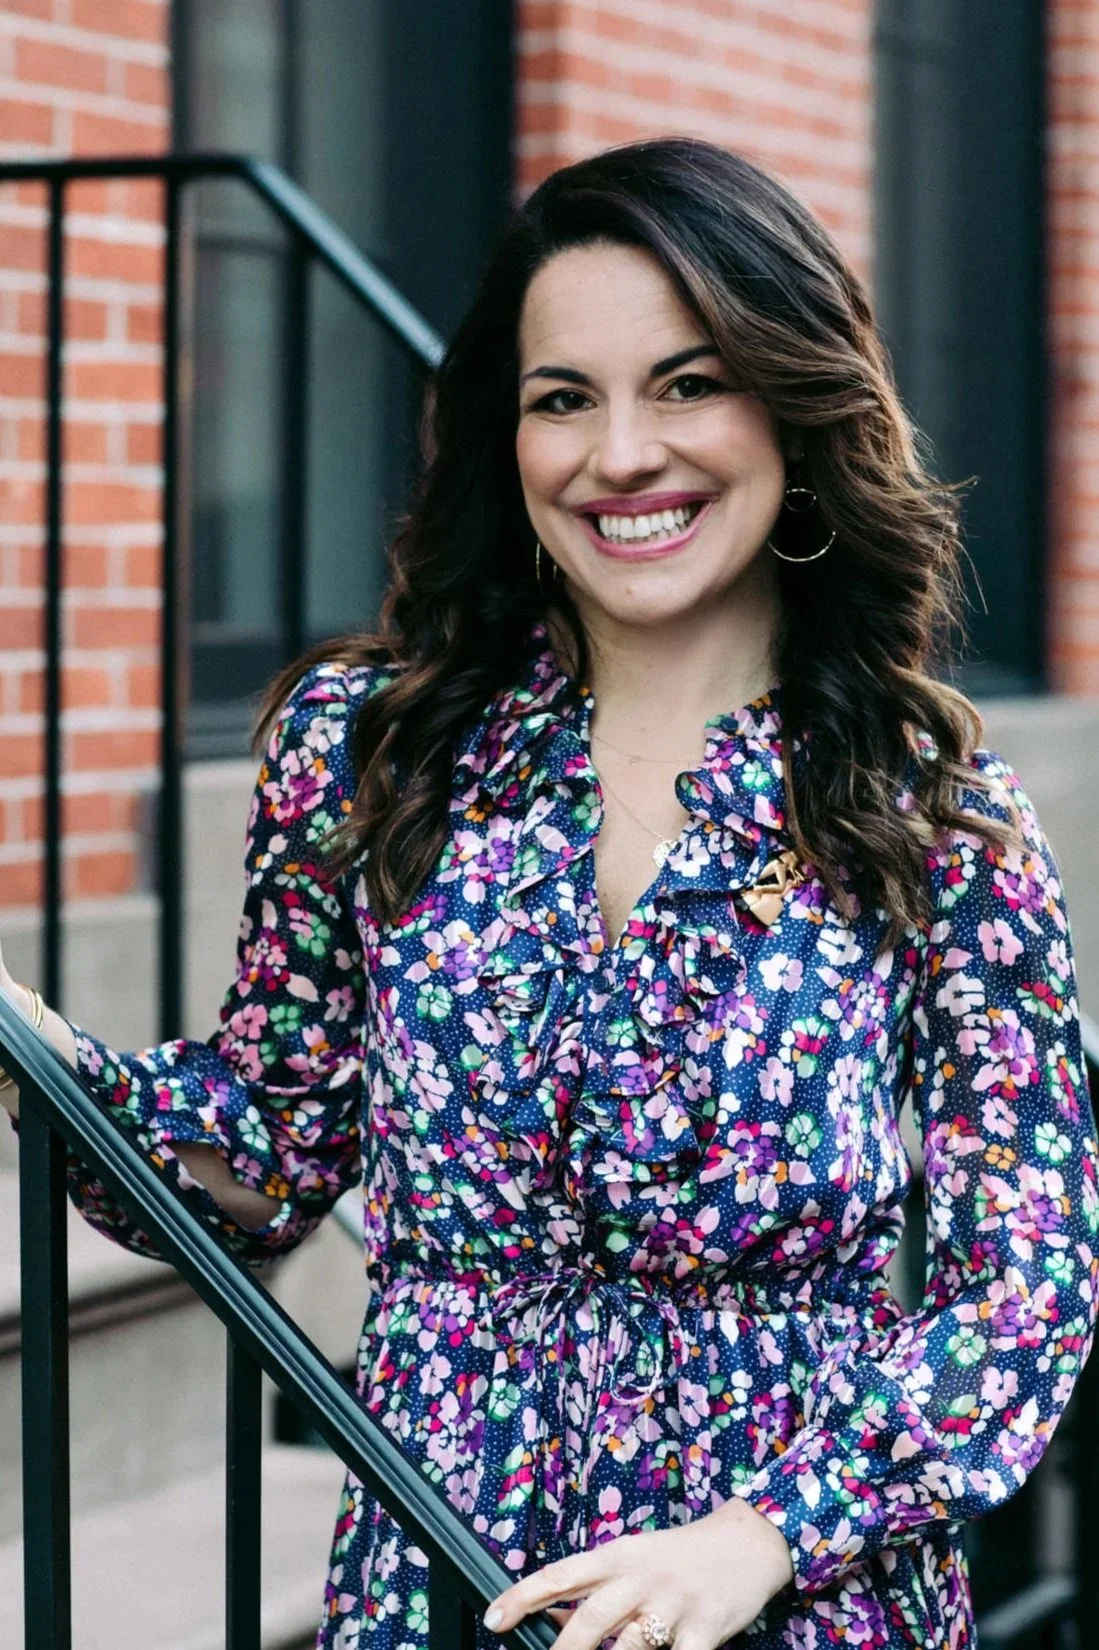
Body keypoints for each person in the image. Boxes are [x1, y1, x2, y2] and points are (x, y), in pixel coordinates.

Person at [2, 137, 1097, 1650]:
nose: (619, 453)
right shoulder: (373, 748)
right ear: (502, 437)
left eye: (689, 382)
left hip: (785, 1585)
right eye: (560, 397)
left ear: (793, 401)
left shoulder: (931, 808)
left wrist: (760, 1535)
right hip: (444, 1550)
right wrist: (47, 1065)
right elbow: (271, 1140)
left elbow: (1021, 1289)